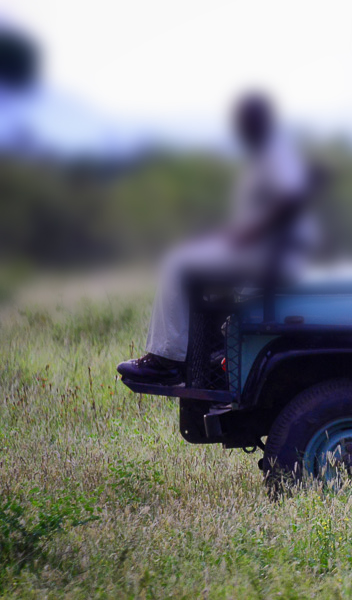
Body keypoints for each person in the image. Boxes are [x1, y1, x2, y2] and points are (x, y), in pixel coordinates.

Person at [116, 93, 318, 383]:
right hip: (265, 253)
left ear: (259, 121)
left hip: (273, 257)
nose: (241, 128)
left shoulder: (276, 152)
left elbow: (290, 199)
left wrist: (251, 233)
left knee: (177, 264)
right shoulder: (266, 155)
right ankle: (209, 355)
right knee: (193, 261)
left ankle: (167, 361)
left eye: (245, 121)